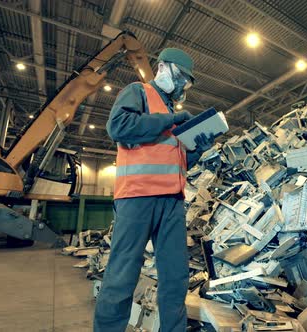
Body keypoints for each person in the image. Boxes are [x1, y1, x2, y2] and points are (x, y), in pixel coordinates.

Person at [94, 48, 214, 332]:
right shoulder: (139, 92)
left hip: (171, 202)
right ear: (163, 67)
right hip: (137, 197)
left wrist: (198, 148)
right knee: (122, 275)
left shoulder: (172, 112)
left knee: (176, 277)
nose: (184, 85)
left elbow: (176, 161)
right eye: (182, 77)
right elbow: (118, 126)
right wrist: (171, 121)